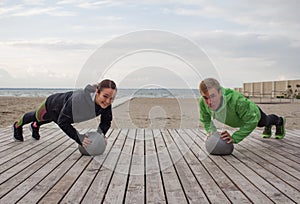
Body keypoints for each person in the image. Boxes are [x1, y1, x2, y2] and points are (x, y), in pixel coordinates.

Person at [12, 79, 117, 148]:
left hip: (62, 112)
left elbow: (106, 121)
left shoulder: (106, 103)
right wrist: (78, 137)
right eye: (105, 96)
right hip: (52, 105)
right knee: (37, 116)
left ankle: (35, 125)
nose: (108, 101)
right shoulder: (78, 100)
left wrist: (100, 135)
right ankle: (17, 125)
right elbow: (63, 122)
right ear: (97, 92)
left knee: (49, 119)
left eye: (111, 98)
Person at [199, 78, 286, 144]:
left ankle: (280, 121)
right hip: (240, 118)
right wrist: (213, 133)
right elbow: (205, 119)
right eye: (205, 97)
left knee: (264, 122)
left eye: (213, 96)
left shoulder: (238, 101)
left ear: (220, 92)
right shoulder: (203, 102)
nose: (209, 102)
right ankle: (268, 126)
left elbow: (252, 121)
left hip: (253, 113)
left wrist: (235, 137)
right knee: (265, 123)